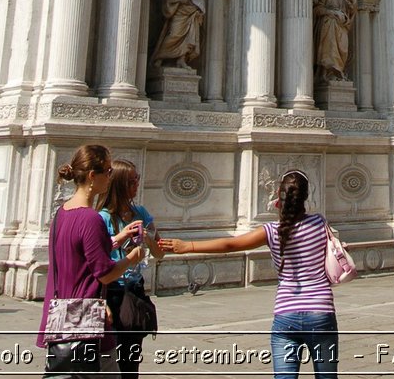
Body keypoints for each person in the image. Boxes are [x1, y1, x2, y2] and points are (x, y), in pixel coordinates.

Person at [160, 170, 339, 379]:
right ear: (306, 197)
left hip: (285, 314)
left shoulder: (272, 231)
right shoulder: (319, 223)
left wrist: (187, 246)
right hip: (321, 312)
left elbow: (230, 244)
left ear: (278, 198)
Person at [37, 145, 146, 375]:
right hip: (86, 318)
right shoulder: (91, 218)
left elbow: (82, 253)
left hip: (61, 315)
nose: (110, 177)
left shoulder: (62, 212)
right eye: (107, 171)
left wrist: (118, 238)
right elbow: (105, 273)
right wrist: (131, 257)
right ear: (91, 176)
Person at [99, 160, 164, 377]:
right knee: (112, 353)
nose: (137, 184)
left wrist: (148, 239)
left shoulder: (141, 213)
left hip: (134, 290)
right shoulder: (103, 218)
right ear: (118, 184)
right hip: (112, 291)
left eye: (137, 179)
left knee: (131, 356)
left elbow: (159, 253)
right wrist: (121, 237)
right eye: (131, 181)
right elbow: (97, 256)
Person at [313, 0, 357, 81]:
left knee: (343, 50)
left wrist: (352, 0)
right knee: (329, 49)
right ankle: (325, 75)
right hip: (329, 25)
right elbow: (318, 9)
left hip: (341, 27)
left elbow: (351, 12)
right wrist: (333, 13)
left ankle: (338, 72)